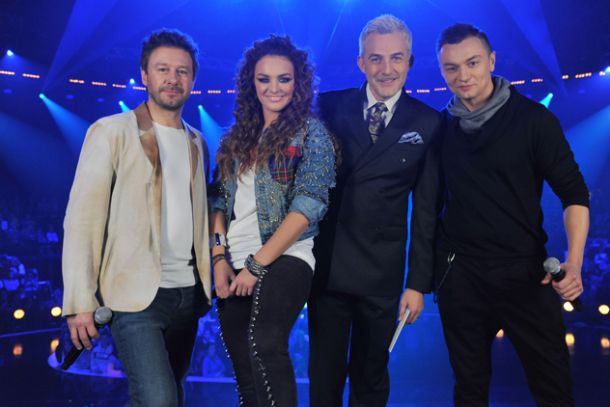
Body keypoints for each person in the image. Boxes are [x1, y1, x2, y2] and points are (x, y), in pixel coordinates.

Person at [433, 23, 589, 406]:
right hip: (461, 276)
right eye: (452, 67)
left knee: (554, 390)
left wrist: (574, 262)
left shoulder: (534, 120)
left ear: (491, 61)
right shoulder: (440, 127)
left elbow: (574, 194)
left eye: (472, 63)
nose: (463, 75)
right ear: (442, 71)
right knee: (468, 391)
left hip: (526, 272)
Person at [61, 28, 212, 406]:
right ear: (144, 75)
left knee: (167, 397)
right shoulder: (111, 132)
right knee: (159, 399)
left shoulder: (198, 142)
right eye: (163, 69)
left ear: (193, 79)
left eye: (182, 71)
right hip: (133, 297)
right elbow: (82, 220)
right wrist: (79, 300)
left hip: (188, 295)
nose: (173, 78)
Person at [308, 14, 442, 407]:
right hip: (328, 266)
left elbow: (426, 211)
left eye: (396, 58)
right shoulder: (327, 106)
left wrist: (417, 284)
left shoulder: (428, 122)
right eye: (376, 58)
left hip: (382, 274)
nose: (386, 69)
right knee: (324, 377)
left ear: (409, 62)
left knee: (371, 377)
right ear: (361, 63)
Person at [209, 35, 335, 406]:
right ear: (251, 83)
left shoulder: (311, 133)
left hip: (287, 256)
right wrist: (218, 259)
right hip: (233, 259)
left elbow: (307, 207)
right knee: (246, 374)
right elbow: (218, 203)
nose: (274, 88)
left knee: (265, 343)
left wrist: (256, 265)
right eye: (264, 79)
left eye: (284, 78)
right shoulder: (234, 140)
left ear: (298, 83)